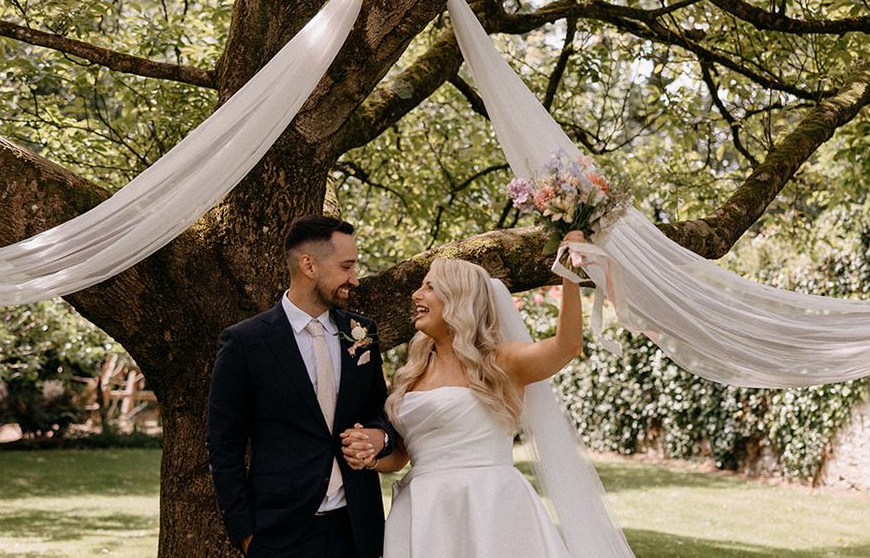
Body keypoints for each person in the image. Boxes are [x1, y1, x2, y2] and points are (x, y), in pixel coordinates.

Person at [340, 231, 588, 558]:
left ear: (459, 297)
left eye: (430, 286)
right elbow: (402, 455)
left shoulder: (499, 362)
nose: (416, 294)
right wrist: (371, 455)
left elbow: (566, 346)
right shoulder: (412, 373)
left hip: (488, 506)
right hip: (423, 511)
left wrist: (570, 276)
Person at [206, 215, 395, 558]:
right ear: (309, 265)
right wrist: (245, 533)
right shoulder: (245, 342)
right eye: (346, 267)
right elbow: (223, 444)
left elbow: (381, 413)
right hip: (280, 533)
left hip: (356, 528)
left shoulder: (363, 332)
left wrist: (379, 437)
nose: (354, 279)